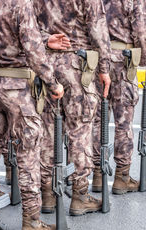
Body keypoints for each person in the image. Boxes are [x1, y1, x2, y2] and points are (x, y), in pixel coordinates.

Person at [0, 0, 64, 230]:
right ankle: (31, 220)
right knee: (28, 151)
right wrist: (52, 82)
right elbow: (31, 48)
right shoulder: (19, 3)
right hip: (17, 88)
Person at [33, 0, 111, 215]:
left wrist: (45, 41)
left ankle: (47, 193)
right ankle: (79, 194)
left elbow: (28, 28)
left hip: (47, 67)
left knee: (47, 132)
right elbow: (99, 33)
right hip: (77, 67)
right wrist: (104, 69)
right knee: (80, 131)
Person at [92, 0, 146, 194]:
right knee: (123, 121)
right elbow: (140, 29)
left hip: (98, 60)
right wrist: (143, 59)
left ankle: (97, 175)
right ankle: (122, 177)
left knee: (98, 120)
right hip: (124, 59)